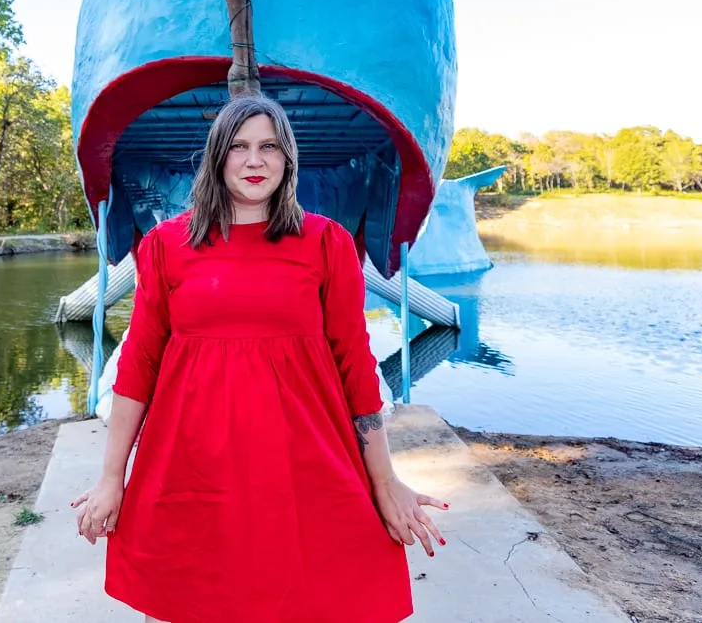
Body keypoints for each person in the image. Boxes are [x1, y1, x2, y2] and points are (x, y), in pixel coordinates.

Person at [72, 94, 447, 623]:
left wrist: (384, 480)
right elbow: (138, 367)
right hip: (192, 462)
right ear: (217, 158)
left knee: (311, 595)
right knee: (205, 598)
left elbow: (356, 370)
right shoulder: (165, 245)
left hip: (303, 461)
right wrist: (112, 477)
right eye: (240, 147)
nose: (255, 161)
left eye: (270, 147)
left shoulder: (326, 243)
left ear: (288, 159)